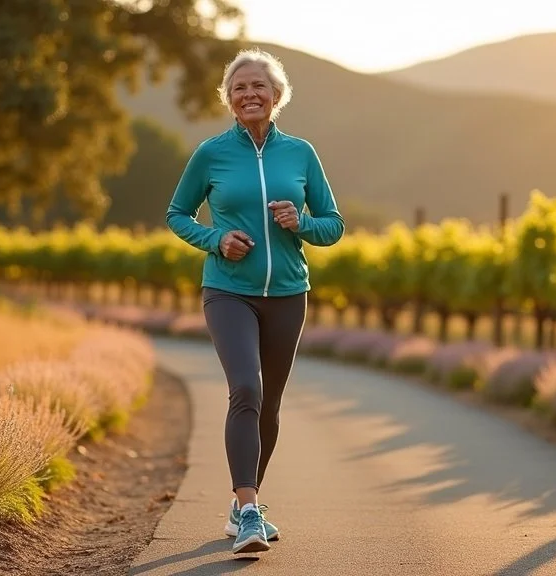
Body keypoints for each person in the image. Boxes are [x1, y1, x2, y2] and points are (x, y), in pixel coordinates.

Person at [165, 47, 345, 555]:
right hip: (228, 290)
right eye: (239, 87)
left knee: (269, 405)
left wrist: (302, 223)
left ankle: (245, 500)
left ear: (276, 96)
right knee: (246, 387)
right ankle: (248, 514)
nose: (249, 94)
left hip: (289, 294)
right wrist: (215, 239)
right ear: (228, 98)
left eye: (259, 86)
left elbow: (334, 225)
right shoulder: (211, 153)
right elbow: (178, 213)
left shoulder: (302, 153)